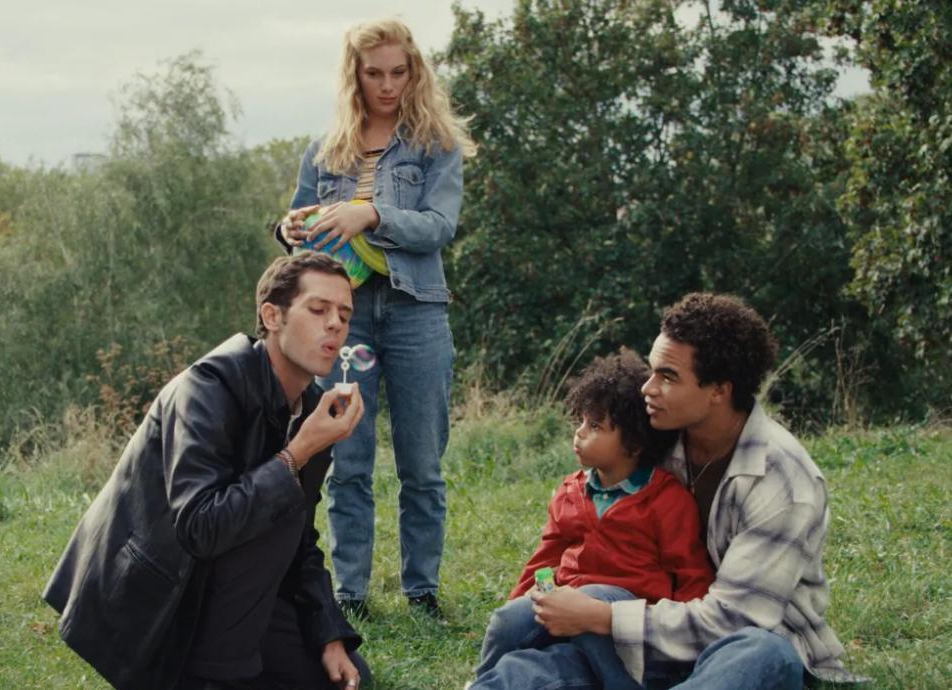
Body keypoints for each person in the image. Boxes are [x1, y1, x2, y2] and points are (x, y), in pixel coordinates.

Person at [470, 293, 861, 690]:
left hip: (733, 645)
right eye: (651, 372)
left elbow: (733, 621)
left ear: (718, 391)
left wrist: (602, 617)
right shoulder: (653, 442)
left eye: (668, 377)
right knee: (531, 669)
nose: (648, 389)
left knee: (764, 654)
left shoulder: (782, 480)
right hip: (640, 635)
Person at [42, 253, 370, 690]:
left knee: (348, 676)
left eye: (344, 315)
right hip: (163, 601)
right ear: (272, 316)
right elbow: (201, 525)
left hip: (229, 590)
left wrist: (329, 634)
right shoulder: (208, 388)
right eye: (318, 309)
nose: (335, 325)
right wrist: (299, 452)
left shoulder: (313, 408)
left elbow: (299, 540)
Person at [275, 18, 476, 618]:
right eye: (374, 73)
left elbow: (439, 228)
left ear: (413, 72)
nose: (387, 85)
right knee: (347, 459)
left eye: (398, 71)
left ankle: (422, 592)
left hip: (417, 310)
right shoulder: (324, 149)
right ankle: (350, 595)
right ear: (354, 76)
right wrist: (288, 230)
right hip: (345, 319)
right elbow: (302, 231)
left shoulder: (436, 145)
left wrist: (370, 215)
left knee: (421, 464)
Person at [473, 350, 713, 688]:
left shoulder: (667, 499)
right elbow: (546, 557)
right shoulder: (570, 491)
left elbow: (689, 572)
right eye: (581, 422)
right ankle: (481, 681)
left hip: (624, 614)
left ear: (633, 443)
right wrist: (523, 599)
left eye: (596, 426)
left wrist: (686, 645)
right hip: (566, 601)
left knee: (593, 599)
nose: (580, 433)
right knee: (509, 619)